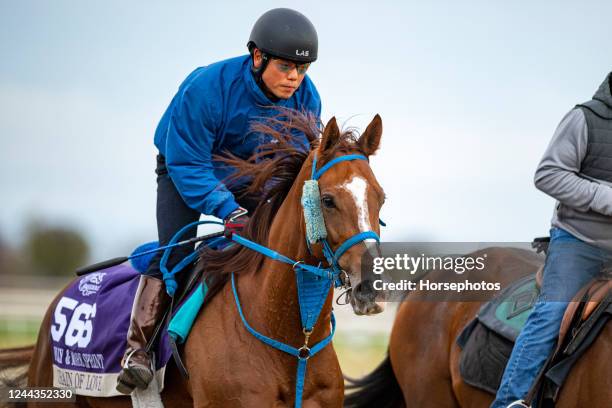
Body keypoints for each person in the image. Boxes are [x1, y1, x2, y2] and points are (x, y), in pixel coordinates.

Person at [116, 8, 322, 394]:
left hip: (253, 173)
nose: (295, 78)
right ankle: (138, 351)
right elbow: (188, 162)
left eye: (303, 68)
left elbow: (289, 169)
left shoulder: (307, 98)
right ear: (257, 57)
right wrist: (230, 211)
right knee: (176, 251)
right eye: (285, 66)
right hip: (186, 167)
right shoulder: (207, 89)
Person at [492, 72, 612, 407]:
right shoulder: (585, 118)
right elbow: (548, 174)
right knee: (551, 315)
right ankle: (511, 402)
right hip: (580, 242)